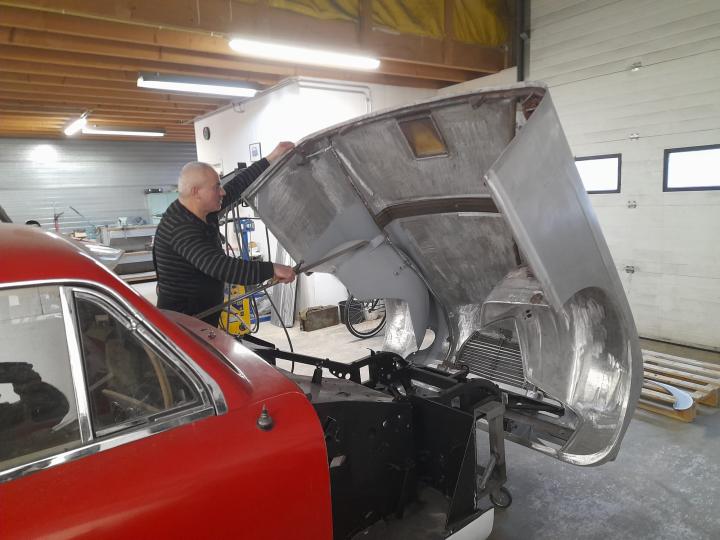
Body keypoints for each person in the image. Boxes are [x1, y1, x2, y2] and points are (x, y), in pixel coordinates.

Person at [154, 142, 296, 325]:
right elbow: (221, 267)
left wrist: (272, 157)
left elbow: (237, 185)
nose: (222, 192)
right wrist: (271, 269)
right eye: (216, 187)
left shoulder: (203, 210)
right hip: (183, 324)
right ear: (196, 192)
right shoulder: (179, 227)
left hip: (202, 319)